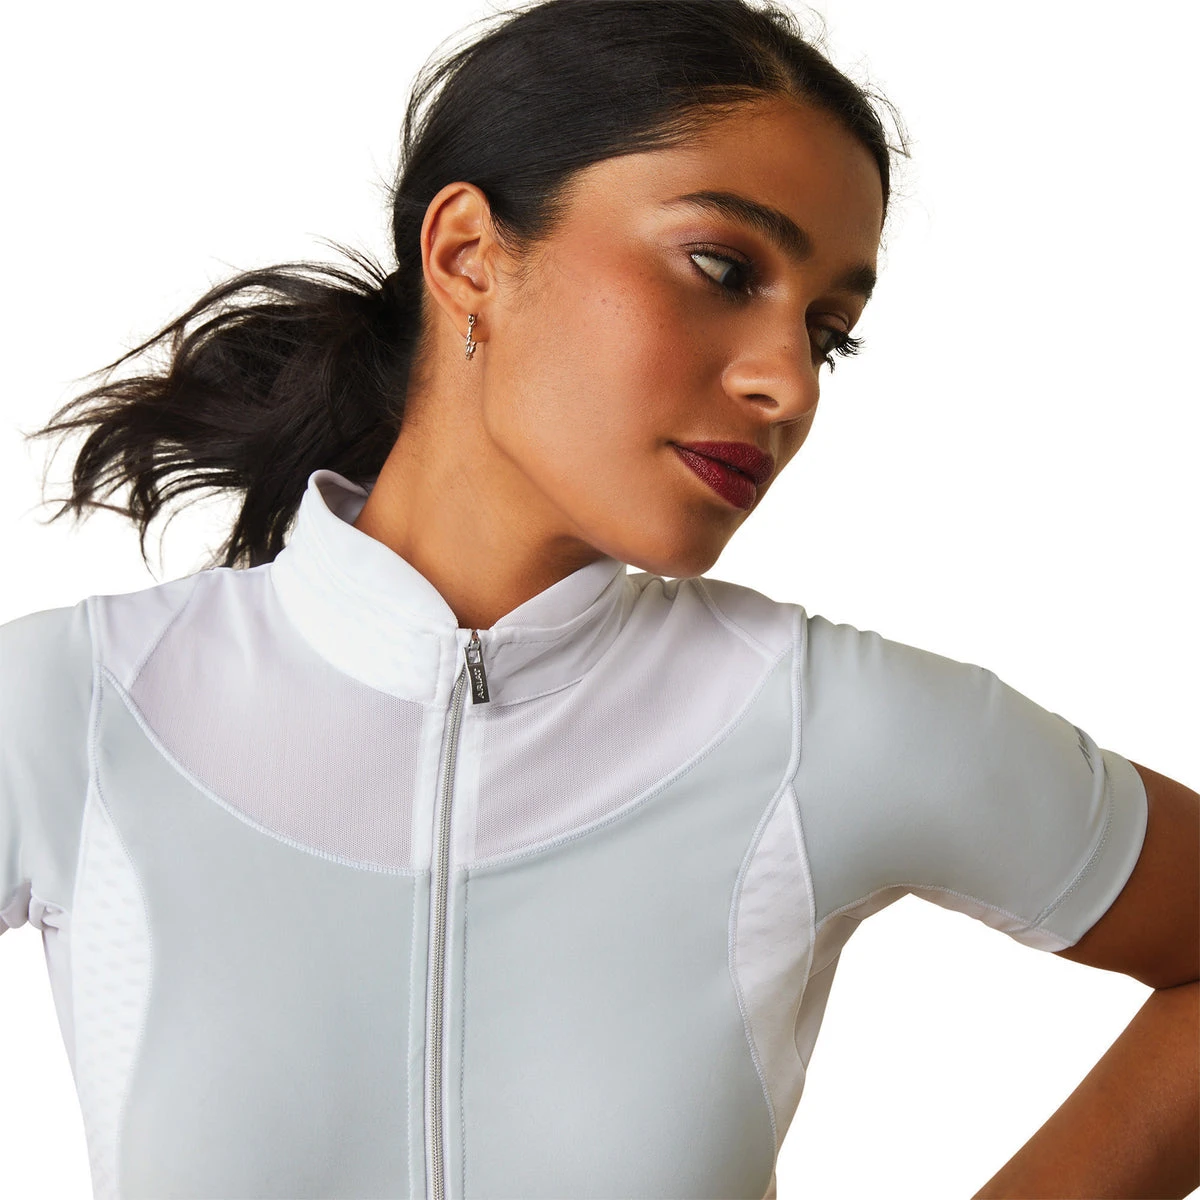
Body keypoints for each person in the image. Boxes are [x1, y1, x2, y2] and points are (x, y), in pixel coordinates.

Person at [1, 1, 1196, 1197]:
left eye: (826, 334)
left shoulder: (823, 722)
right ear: (467, 255)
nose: (787, 384)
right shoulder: (78, 707)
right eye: (724, 269)